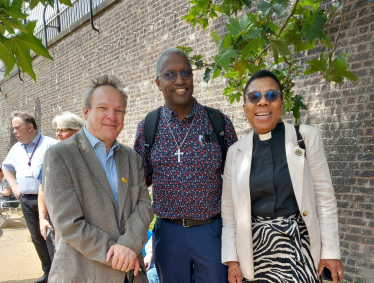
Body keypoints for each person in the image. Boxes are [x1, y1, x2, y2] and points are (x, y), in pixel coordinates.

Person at [221, 70, 343, 283]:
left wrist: (330, 251)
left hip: (300, 247)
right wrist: (232, 262)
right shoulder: (235, 152)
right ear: (245, 108)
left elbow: (324, 198)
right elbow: (229, 212)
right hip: (255, 250)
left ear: (281, 104)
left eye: (271, 95)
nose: (262, 102)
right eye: (254, 97)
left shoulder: (305, 138)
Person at [134, 48, 237, 283]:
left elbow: (235, 183)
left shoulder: (218, 122)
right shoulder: (149, 126)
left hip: (210, 232)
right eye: (170, 74)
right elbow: (142, 181)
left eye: (185, 72)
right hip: (168, 234)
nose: (179, 80)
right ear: (158, 83)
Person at [42, 75, 154, 283]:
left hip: (131, 276)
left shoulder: (131, 157)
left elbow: (143, 206)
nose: (112, 116)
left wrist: (129, 245)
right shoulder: (60, 156)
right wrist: (119, 255)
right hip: (82, 274)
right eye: (103, 108)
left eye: (118, 110)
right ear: (86, 111)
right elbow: (69, 223)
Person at [2, 112, 57, 283]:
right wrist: (14, 187)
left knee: (50, 237)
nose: (14, 132)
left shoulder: (50, 144)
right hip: (25, 200)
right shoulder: (16, 148)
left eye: (17, 128)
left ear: (30, 127)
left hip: (47, 201)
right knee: (36, 238)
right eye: (13, 128)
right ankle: (47, 272)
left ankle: (57, 273)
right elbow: (5, 167)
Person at [37, 111, 84, 245]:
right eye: (57, 130)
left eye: (63, 130)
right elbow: (42, 188)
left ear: (77, 131)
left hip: (84, 224)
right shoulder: (52, 156)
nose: (58, 134)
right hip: (58, 221)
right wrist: (42, 218)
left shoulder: (89, 156)